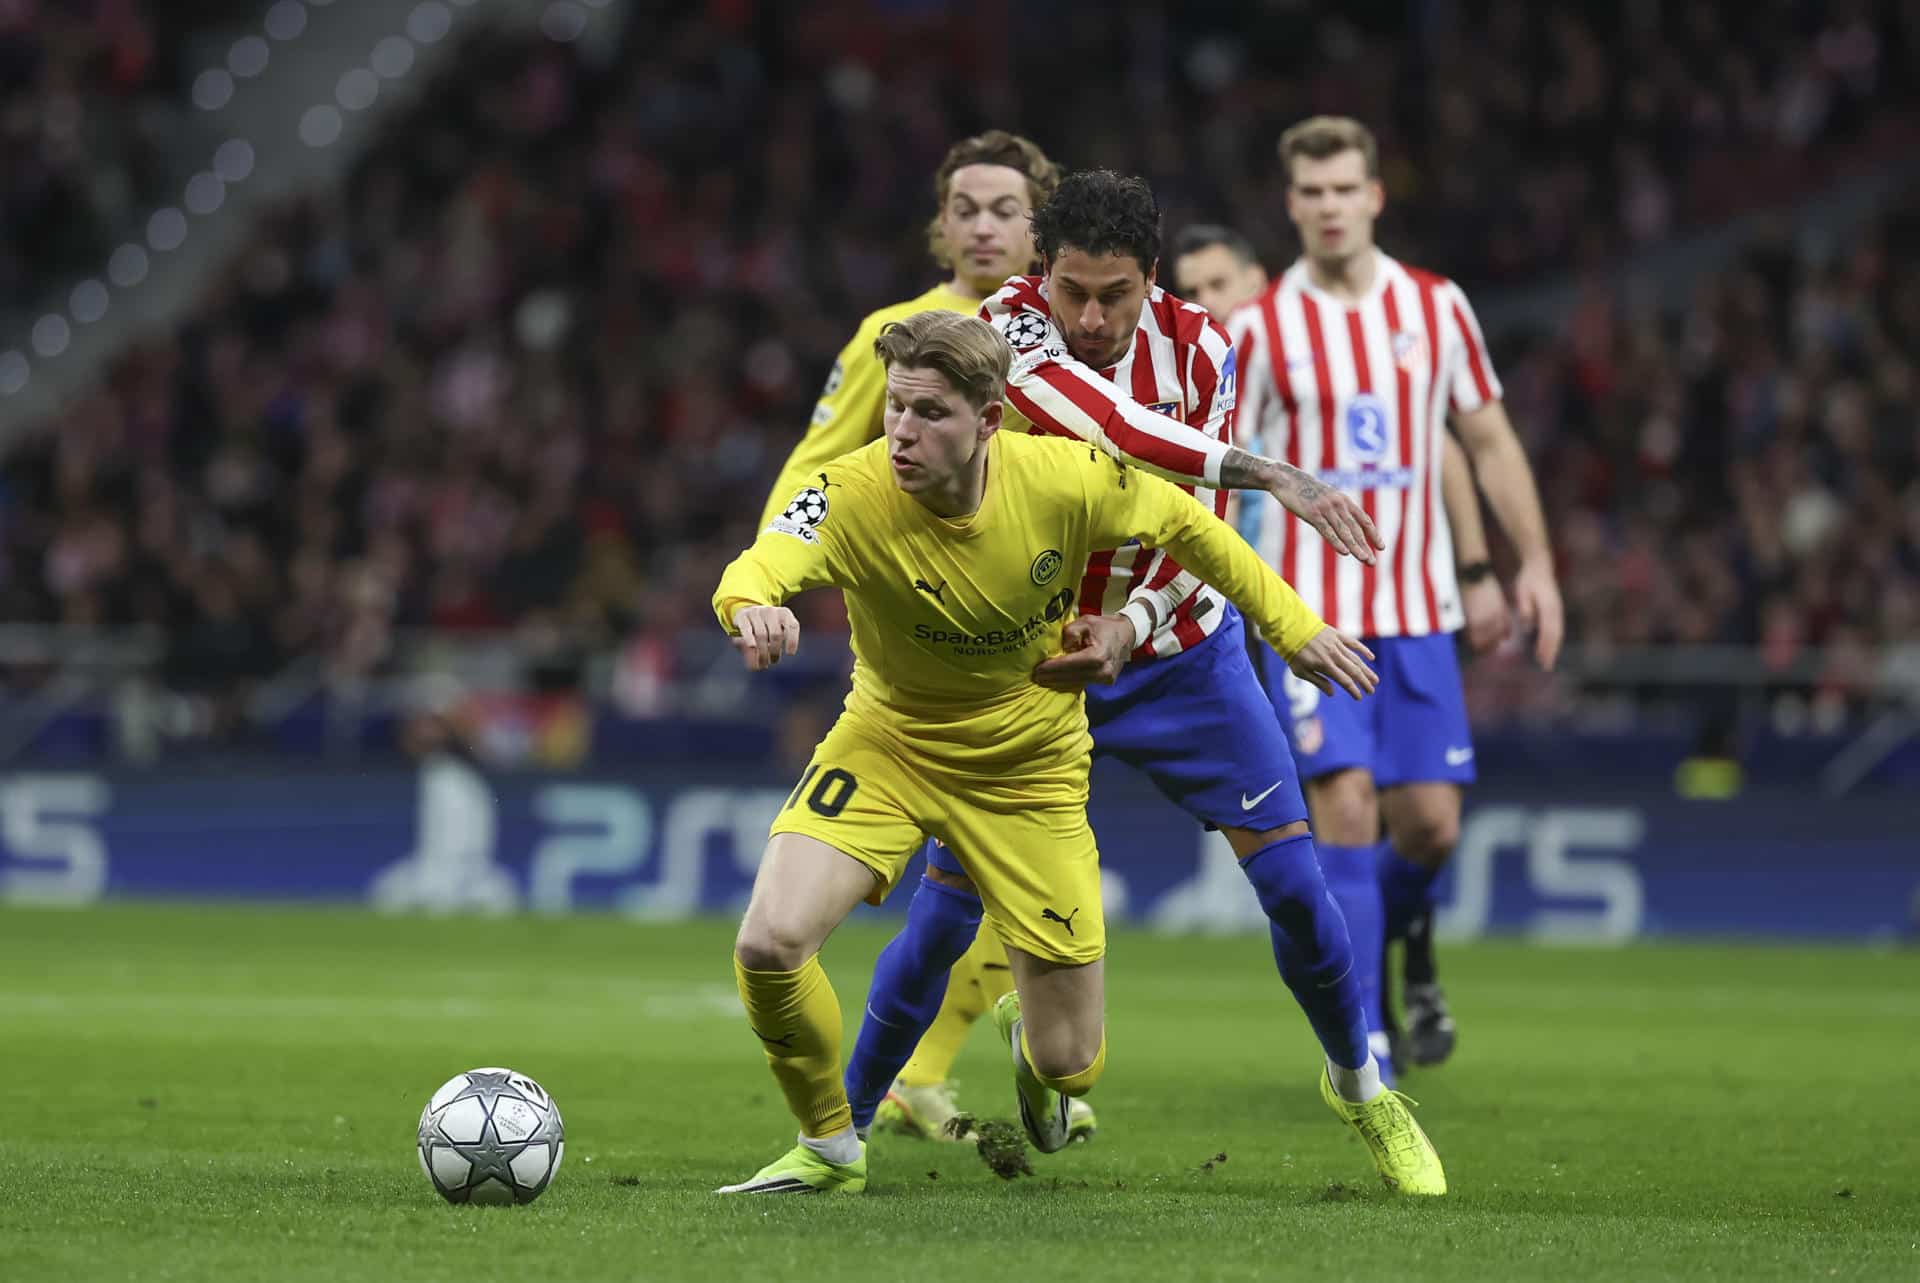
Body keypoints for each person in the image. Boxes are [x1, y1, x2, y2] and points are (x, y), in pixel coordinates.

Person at [842, 172, 1447, 1197]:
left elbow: (1175, 525)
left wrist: (1131, 622)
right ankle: (839, 1131)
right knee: (945, 916)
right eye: (1072, 290)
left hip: (1177, 657)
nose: (1090, 316)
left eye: (1113, 294)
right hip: (1024, 663)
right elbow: (1106, 428)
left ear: (1151, 281)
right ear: (1043, 278)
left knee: (1298, 890)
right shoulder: (1001, 336)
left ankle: (1363, 1086)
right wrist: (1271, 472)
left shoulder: (1206, 348)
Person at [714, 309, 1395, 1194]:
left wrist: (1292, 626)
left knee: (1073, 1064)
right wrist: (753, 606)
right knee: (769, 942)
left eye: (930, 414)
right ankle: (830, 1144)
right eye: (895, 410)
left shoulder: (1067, 477)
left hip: (1029, 766)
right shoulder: (852, 490)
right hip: (891, 741)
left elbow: (1193, 530)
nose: (903, 434)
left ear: (991, 420)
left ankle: (1035, 1059)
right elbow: (761, 560)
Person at [1228, 116, 1565, 1078]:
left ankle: (1399, 950)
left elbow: (1487, 441)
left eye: (1346, 189)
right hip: (1313, 615)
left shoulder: (1436, 307)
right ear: (1291, 204)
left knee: (1430, 825)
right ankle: (1363, 1038)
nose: (1330, 207)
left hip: (1419, 613)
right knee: (1345, 807)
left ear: (1375, 195)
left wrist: (1529, 563)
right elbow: (1225, 473)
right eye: (1312, 192)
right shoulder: (1258, 331)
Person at [757, 130, 1061, 532]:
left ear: (1039, 224)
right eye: (966, 211)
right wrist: (762, 575)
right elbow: (816, 462)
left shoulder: (1073, 325)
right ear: (944, 223)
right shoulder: (889, 330)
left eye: (1003, 212)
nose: (983, 229)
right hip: (918, 575)